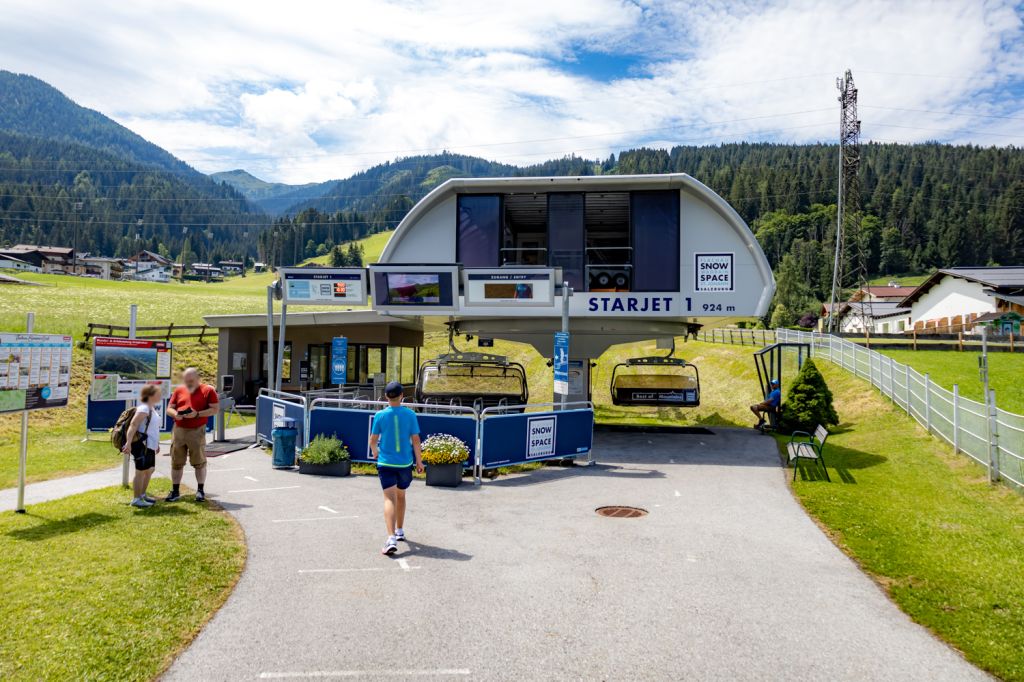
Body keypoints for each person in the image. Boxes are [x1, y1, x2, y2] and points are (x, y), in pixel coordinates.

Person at [368, 381, 423, 556]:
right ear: (402, 396)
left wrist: (375, 452)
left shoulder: (380, 415)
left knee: (389, 499)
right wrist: (419, 462)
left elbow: (372, 440)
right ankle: (399, 530)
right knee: (401, 496)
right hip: (404, 463)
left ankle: (391, 537)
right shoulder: (410, 414)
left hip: (386, 463)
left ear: (386, 397)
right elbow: (415, 440)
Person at [166, 367, 219, 502]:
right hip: (179, 429)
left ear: (197, 378)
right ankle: (175, 490)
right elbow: (169, 409)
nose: (188, 382)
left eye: (191, 380)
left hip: (197, 430)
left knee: (199, 462)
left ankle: (200, 490)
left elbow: (215, 409)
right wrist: (176, 414)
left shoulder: (208, 390)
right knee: (176, 462)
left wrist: (197, 414)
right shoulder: (179, 390)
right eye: (186, 380)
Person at [122, 383, 162, 508]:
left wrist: (157, 444)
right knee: (140, 471)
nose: (160, 396)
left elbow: (152, 428)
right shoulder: (144, 408)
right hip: (141, 444)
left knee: (150, 469)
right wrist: (128, 443)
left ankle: (142, 495)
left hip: (150, 444)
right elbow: (133, 425)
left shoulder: (151, 408)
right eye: (157, 394)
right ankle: (136, 499)